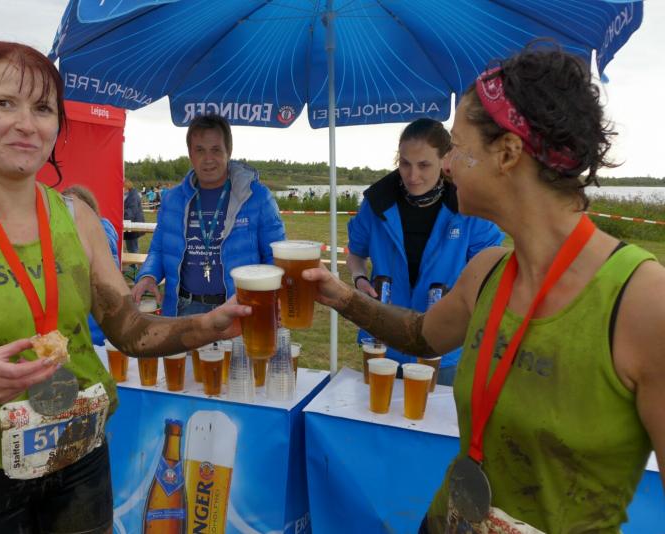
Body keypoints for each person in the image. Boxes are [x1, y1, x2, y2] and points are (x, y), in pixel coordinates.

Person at [0, 42, 248, 533]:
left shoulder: (77, 217)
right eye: (4, 103)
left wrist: (208, 325)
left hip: (81, 457)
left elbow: (130, 330)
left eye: (43, 108)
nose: (26, 123)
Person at [305, 45, 664, 532]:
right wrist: (343, 296)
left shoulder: (643, 302)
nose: (447, 165)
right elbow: (419, 335)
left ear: (508, 154)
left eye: (456, 146)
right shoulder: (488, 270)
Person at [346, 118, 503, 384]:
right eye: (405, 163)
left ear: (446, 160)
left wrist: (464, 297)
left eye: (423, 165)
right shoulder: (376, 203)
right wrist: (359, 278)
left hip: (442, 346)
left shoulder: (469, 206)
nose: (412, 176)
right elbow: (356, 254)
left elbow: (490, 269)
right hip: (382, 342)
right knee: (376, 409)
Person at [131, 114, 285, 316]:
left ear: (229, 151)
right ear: (190, 154)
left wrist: (274, 296)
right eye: (200, 150)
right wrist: (148, 276)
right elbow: (159, 250)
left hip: (239, 307)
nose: (208, 159)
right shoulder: (173, 199)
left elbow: (275, 256)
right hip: (183, 310)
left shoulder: (257, 197)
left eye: (215, 150)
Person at [62, 185, 119, 347]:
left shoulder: (101, 230)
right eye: (66, 207)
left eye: (75, 207)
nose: (71, 212)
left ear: (89, 210)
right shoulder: (63, 233)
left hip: (98, 324)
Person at [123, 177, 145, 253]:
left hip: (133, 225)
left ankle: (134, 261)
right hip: (129, 224)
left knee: (132, 248)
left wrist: (120, 215)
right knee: (130, 247)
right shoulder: (127, 195)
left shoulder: (133, 196)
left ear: (126, 186)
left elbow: (131, 212)